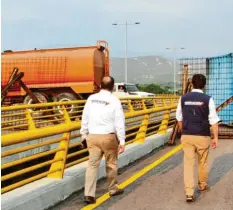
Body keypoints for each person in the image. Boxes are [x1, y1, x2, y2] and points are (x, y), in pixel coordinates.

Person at [80, 76, 126, 204]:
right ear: (112, 87)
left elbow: (85, 117)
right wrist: (122, 141)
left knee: (92, 165)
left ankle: (89, 194)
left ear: (100, 85)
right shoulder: (114, 100)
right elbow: (119, 122)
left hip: (92, 136)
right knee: (111, 164)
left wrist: (84, 134)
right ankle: (112, 189)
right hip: (108, 137)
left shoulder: (91, 99)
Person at [176, 74, 220, 202]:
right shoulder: (208, 99)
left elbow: (179, 117)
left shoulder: (183, 98)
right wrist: (215, 137)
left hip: (187, 135)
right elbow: (213, 120)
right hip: (203, 135)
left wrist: (183, 130)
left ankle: (189, 192)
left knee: (188, 164)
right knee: (202, 162)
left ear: (192, 84)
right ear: (205, 85)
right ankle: (202, 185)